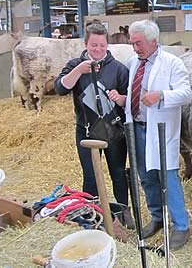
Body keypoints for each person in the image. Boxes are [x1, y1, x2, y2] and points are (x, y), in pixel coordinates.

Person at [54, 21, 135, 229]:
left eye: (102, 45)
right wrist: (79, 71)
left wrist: (121, 98)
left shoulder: (118, 68)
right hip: (86, 131)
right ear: (86, 44)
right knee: (90, 176)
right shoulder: (75, 65)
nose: (98, 50)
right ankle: (91, 217)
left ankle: (123, 215)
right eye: (93, 46)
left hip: (114, 132)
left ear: (107, 45)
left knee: (118, 174)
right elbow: (60, 88)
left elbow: (130, 100)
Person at [125, 19, 192, 250]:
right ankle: (157, 218)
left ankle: (181, 225)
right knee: (146, 177)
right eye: (133, 43)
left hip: (161, 130)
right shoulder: (134, 62)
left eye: (139, 43)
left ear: (154, 41)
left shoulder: (172, 63)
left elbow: (186, 94)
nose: (135, 48)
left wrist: (161, 95)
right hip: (137, 128)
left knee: (168, 177)